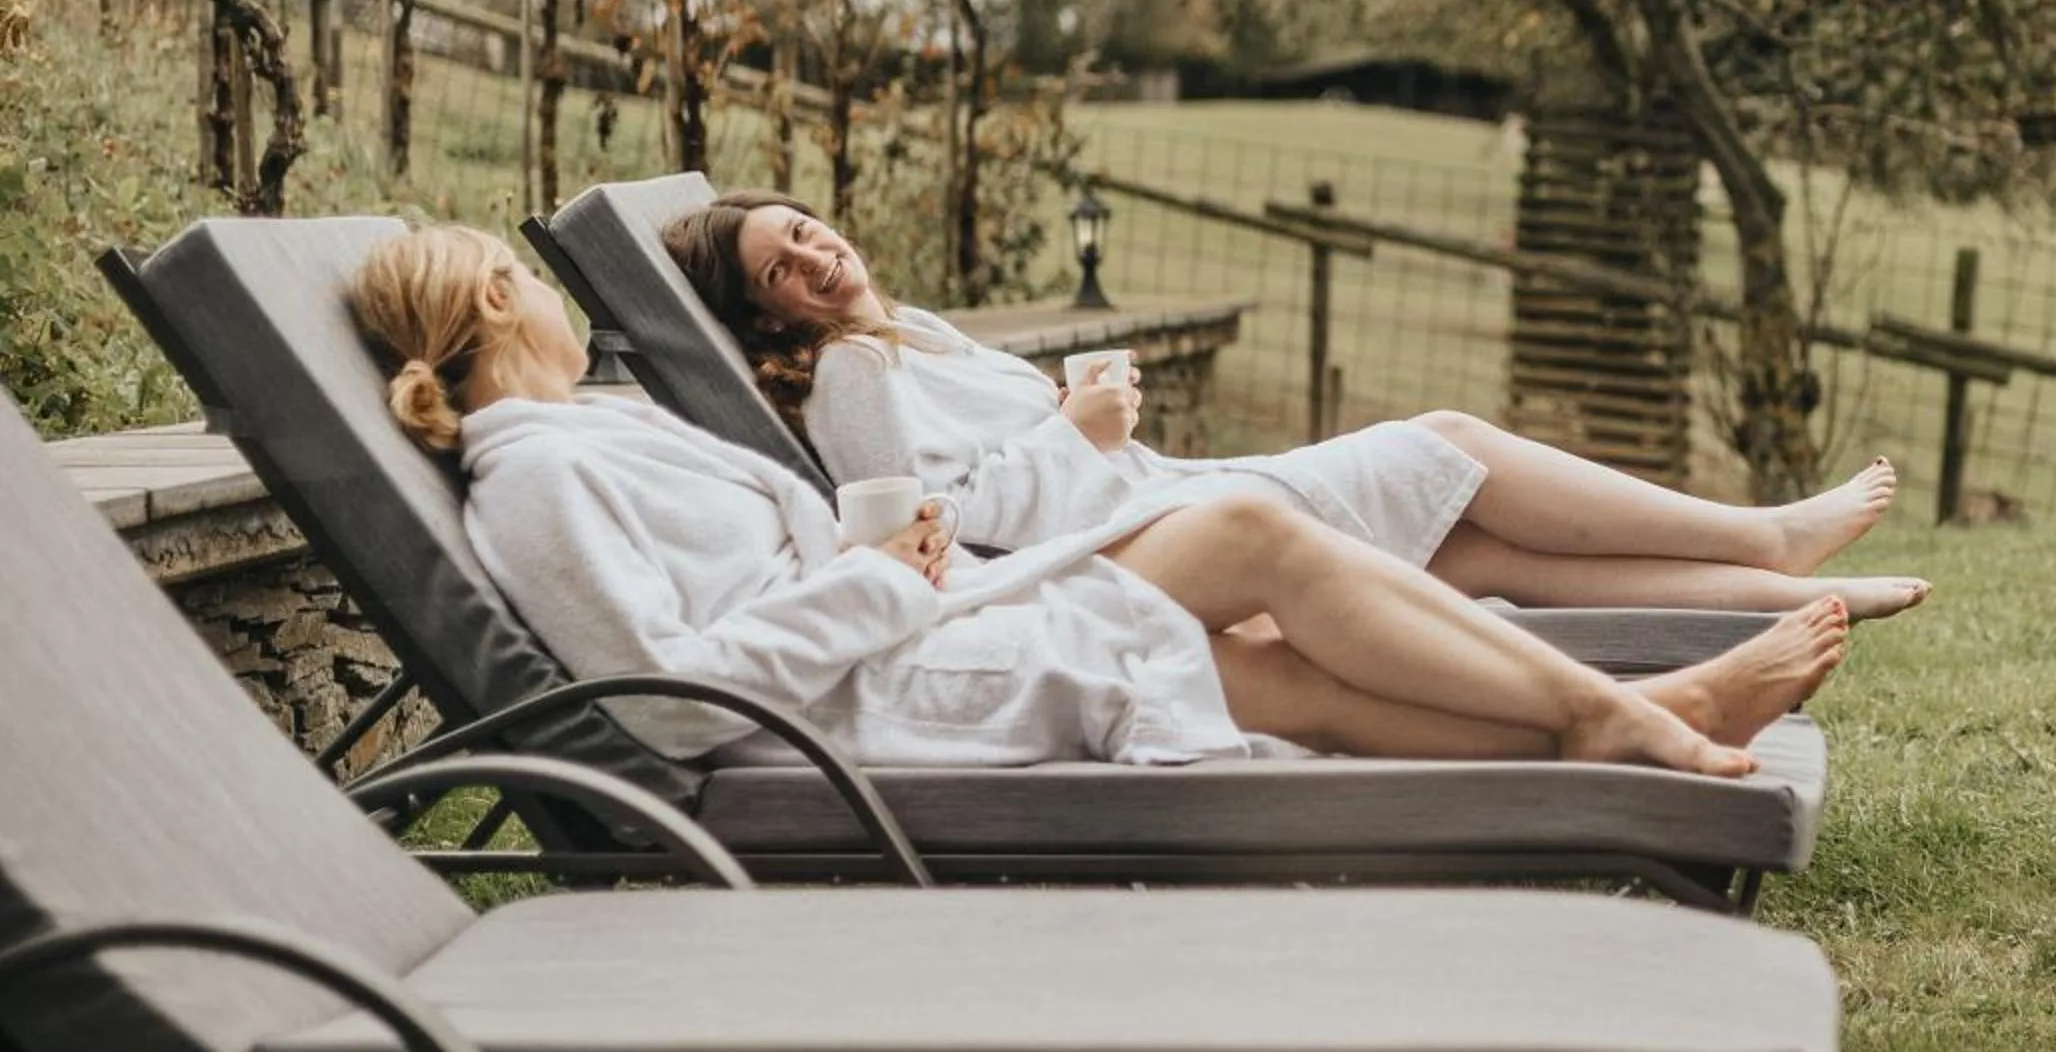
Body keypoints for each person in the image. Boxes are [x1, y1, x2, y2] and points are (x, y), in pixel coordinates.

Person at [350, 225, 1849, 775]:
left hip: (906, 631)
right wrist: (890, 581)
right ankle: (1620, 716)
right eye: (530, 278)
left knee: (1273, 672)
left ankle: (1629, 726)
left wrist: (894, 561)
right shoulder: (534, 481)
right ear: (496, 298)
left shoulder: (586, 435)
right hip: (867, 701)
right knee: (1262, 551)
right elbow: (667, 707)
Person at [660, 189, 1932, 620]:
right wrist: (1077, 428)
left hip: (1148, 494)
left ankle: (1785, 587)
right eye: (782, 267)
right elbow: (933, 523)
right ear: (768, 312)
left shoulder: (904, 331)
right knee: (1449, 443)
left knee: (1486, 550)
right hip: (1127, 540)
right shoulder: (844, 374)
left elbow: (1001, 444)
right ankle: (1761, 537)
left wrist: (1078, 404)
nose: (817, 256)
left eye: (807, 227)